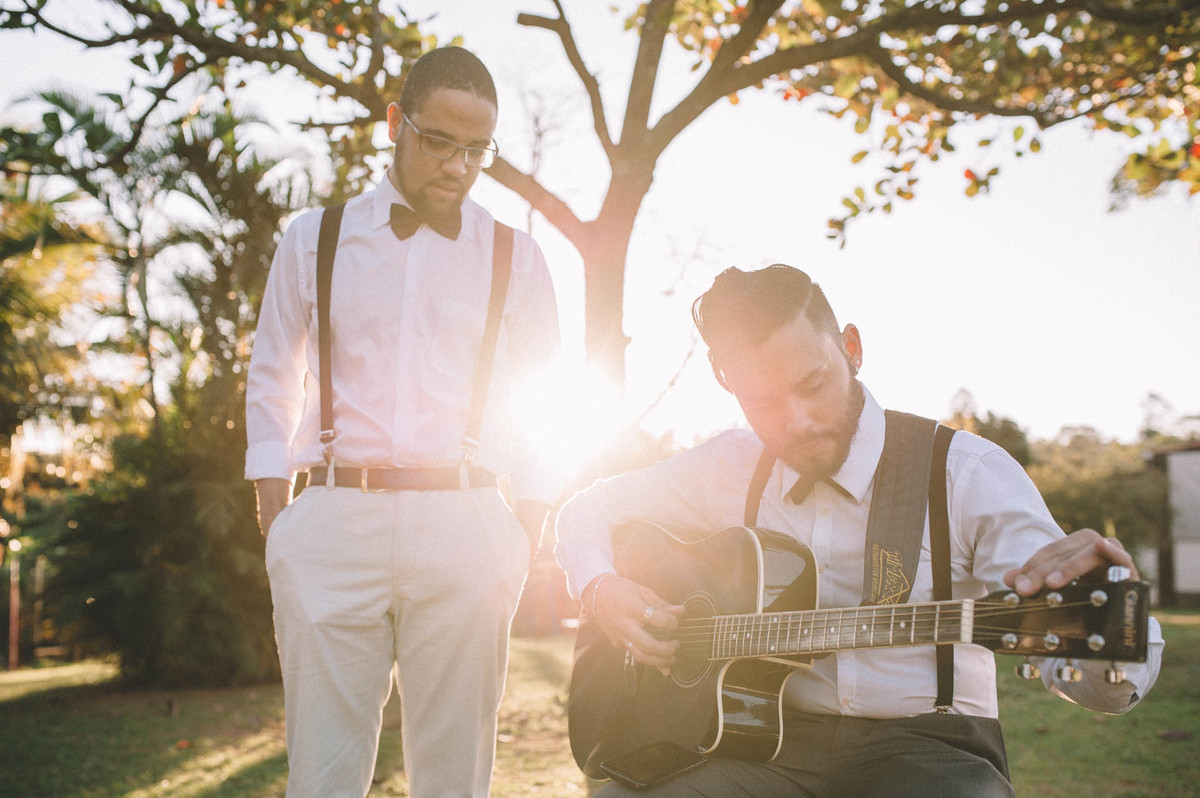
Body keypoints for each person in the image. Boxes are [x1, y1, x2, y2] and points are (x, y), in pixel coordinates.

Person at [555, 264, 1163, 797]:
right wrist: (600, 588)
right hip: (759, 747)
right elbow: (586, 508)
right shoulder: (727, 464)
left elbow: (1088, 668)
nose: (795, 422)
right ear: (727, 386)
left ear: (851, 347)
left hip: (931, 749)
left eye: (812, 384)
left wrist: (1110, 640)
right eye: (761, 401)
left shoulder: (965, 472)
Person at [245, 47, 560, 798]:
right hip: (330, 518)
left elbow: (548, 392)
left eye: (477, 150)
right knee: (320, 775)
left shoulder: (516, 256)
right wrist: (276, 511)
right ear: (396, 124)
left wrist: (526, 521)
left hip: (466, 523)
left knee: (455, 779)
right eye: (439, 141)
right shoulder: (311, 239)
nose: (458, 165)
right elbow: (272, 371)